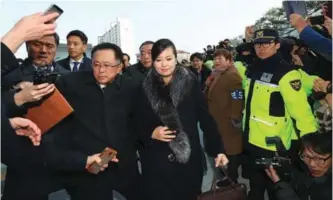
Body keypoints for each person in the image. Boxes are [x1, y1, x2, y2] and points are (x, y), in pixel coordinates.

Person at [43, 43, 140, 200]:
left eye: (107, 65)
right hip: (87, 166)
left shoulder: (133, 87)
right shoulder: (70, 84)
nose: (101, 70)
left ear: (119, 66)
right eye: (97, 64)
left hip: (122, 164)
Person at [134, 38, 229, 200]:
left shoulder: (190, 83)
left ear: (176, 58)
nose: (164, 64)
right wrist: (151, 132)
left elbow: (206, 119)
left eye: (169, 59)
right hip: (156, 160)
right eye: (159, 60)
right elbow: (134, 122)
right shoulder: (142, 88)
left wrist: (218, 150)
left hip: (188, 160)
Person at [238, 28, 317, 200]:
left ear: (277, 45)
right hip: (251, 141)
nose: (261, 47)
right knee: (256, 187)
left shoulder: (287, 73)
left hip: (274, 146)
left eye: (267, 43)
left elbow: (301, 112)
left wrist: (310, 145)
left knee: (278, 190)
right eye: (258, 44)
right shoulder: (251, 70)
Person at [206, 49, 244, 183]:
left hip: (229, 121)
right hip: (220, 120)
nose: (216, 61)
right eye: (215, 59)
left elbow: (238, 98)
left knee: (232, 150)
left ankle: (232, 178)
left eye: (220, 59)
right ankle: (228, 176)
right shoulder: (220, 74)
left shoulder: (233, 75)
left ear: (229, 61)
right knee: (225, 149)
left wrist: (235, 117)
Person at [266, 132, 332, 200]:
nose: (312, 164)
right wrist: (279, 183)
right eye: (306, 156)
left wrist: (284, 192)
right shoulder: (301, 170)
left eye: (319, 159)